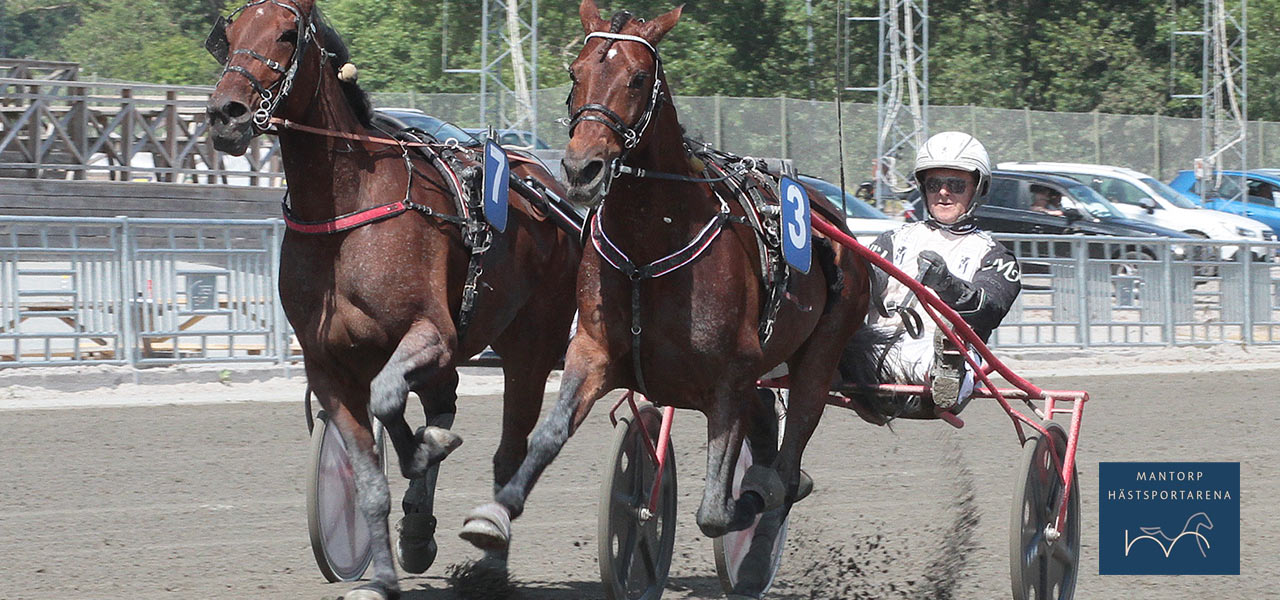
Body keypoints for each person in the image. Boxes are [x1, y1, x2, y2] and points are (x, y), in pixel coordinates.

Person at [856, 131, 1022, 417]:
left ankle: (945, 369)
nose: (943, 192)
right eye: (934, 184)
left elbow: (989, 309)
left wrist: (947, 284)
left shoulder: (995, 254)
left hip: (939, 359)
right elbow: (859, 286)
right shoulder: (892, 240)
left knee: (942, 352)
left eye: (956, 184)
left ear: (977, 189)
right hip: (872, 353)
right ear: (924, 188)